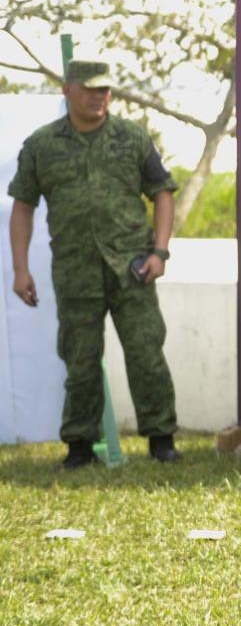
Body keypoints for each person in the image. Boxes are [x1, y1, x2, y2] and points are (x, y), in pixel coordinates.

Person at [7, 59, 181, 467]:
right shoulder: (41, 145)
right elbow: (22, 207)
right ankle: (80, 446)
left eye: (105, 89)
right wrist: (20, 269)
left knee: (146, 354)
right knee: (80, 359)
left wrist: (159, 252)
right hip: (75, 270)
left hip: (132, 268)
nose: (100, 97)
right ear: (67, 91)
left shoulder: (131, 137)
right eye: (90, 89)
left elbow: (163, 192)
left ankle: (161, 440)